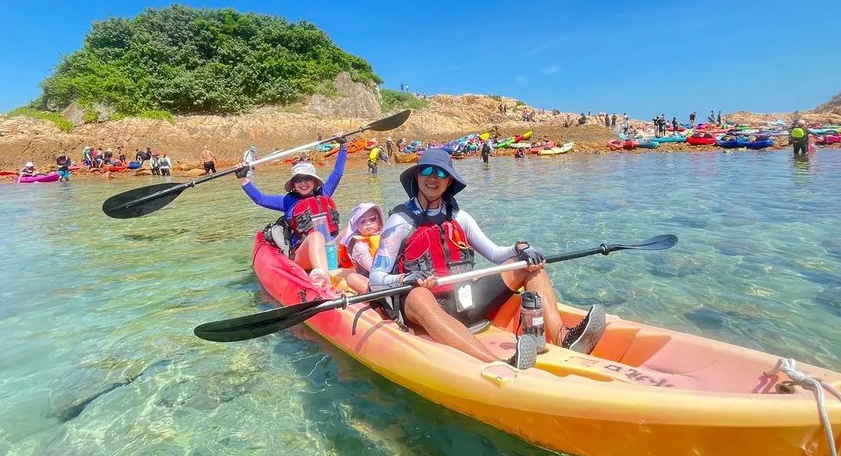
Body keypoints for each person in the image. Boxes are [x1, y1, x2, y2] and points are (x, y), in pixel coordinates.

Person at [367, 149, 605, 370]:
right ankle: (498, 363)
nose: (433, 177)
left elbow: (494, 253)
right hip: (425, 307)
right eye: (427, 170)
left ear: (449, 180)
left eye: (441, 172)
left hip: (465, 301)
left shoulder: (460, 218)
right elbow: (376, 279)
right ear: (417, 175)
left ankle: (564, 337)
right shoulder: (400, 221)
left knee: (529, 267)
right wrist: (405, 278)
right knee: (418, 295)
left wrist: (520, 248)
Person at [236, 139, 348, 273]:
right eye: (298, 180)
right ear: (293, 184)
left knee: (350, 229)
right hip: (303, 254)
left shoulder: (325, 192)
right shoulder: (287, 201)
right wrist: (242, 178)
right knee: (316, 236)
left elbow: (337, 173)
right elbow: (260, 199)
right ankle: (324, 278)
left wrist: (343, 146)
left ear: (314, 180)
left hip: (330, 248)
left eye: (307, 178)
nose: (303, 183)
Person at [335, 202, 383, 293]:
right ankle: (377, 297)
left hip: (387, 274)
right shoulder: (359, 244)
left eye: (373, 219)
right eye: (362, 221)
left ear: (380, 221)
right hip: (369, 278)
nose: (368, 223)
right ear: (357, 226)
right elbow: (368, 263)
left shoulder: (385, 237)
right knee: (352, 277)